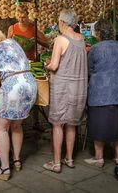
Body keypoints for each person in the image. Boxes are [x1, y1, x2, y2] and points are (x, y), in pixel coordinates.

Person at [0, 26, 37, 181]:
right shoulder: (12, 42)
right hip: (30, 83)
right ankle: (17, 160)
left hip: (13, 88)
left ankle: (5, 169)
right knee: (17, 125)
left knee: (2, 128)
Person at [42, 9, 87, 173]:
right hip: (79, 87)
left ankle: (56, 163)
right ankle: (69, 159)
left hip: (62, 87)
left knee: (57, 124)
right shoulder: (81, 39)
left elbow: (54, 65)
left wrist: (47, 64)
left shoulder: (61, 39)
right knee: (71, 125)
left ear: (62, 22)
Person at [84, 19, 118, 168]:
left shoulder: (95, 49)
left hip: (99, 91)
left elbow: (89, 68)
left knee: (98, 123)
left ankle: (99, 157)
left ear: (99, 33)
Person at [7, 5, 48, 131]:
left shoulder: (33, 28)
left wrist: (35, 40)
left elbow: (47, 44)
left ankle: (36, 121)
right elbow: (7, 44)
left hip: (31, 64)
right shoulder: (12, 28)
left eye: (24, 16)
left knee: (34, 93)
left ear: (28, 16)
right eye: (19, 16)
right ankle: (18, 120)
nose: (21, 19)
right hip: (16, 65)